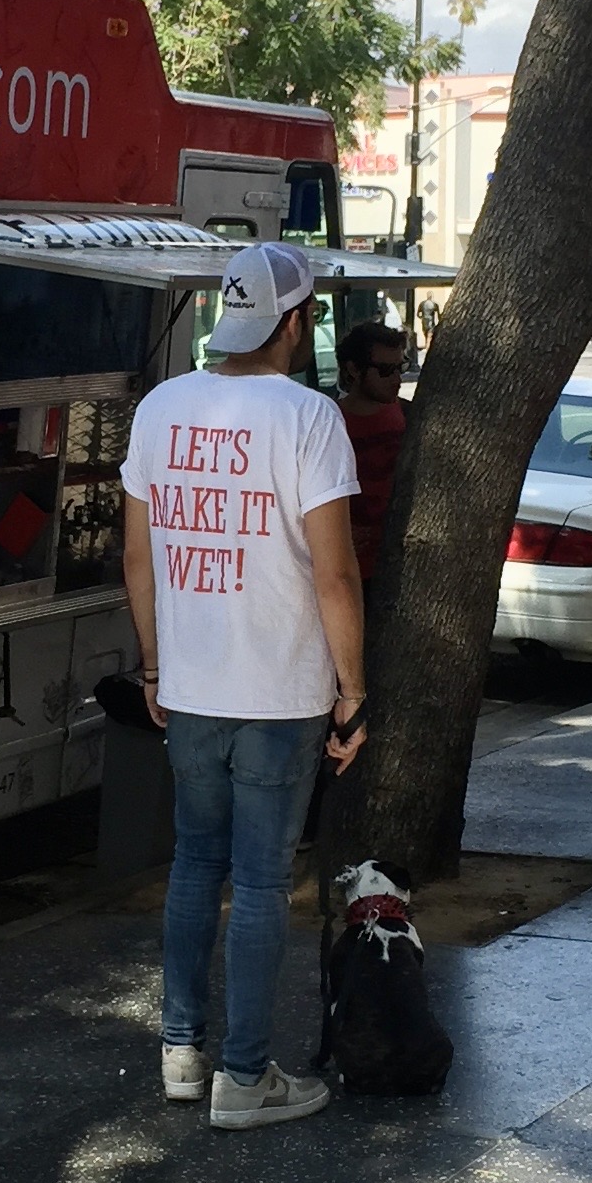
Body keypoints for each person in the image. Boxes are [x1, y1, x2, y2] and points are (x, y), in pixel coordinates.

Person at [120, 243, 366, 1130]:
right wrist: (354, 690)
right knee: (260, 885)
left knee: (195, 864)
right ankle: (245, 1076)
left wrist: (155, 665)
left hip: (190, 684)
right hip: (281, 690)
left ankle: (181, 1054)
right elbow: (335, 577)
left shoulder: (161, 407)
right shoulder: (308, 418)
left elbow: (138, 557)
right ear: (295, 322)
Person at [335, 320, 409, 587]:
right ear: (354, 369)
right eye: (386, 370)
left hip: (400, 572)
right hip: (347, 575)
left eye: (400, 368)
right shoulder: (326, 424)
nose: (397, 380)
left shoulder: (412, 418)